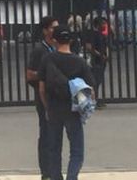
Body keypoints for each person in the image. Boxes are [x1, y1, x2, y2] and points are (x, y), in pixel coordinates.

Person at [39, 24, 96, 180]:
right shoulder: (79, 61)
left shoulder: (48, 59)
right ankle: (72, 177)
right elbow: (90, 90)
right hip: (73, 109)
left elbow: (42, 89)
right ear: (70, 40)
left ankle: (56, 177)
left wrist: (47, 107)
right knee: (76, 149)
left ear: (55, 40)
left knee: (54, 148)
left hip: (54, 108)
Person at [26, 16, 58, 180]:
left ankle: (55, 169)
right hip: (43, 97)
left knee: (56, 134)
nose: (55, 30)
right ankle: (45, 171)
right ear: (45, 30)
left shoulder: (60, 48)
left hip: (58, 97)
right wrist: (46, 77)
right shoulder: (40, 50)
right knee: (46, 132)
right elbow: (29, 75)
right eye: (53, 27)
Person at [85, 17, 109, 109]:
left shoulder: (101, 35)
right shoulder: (92, 34)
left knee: (98, 81)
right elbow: (89, 47)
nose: (104, 25)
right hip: (95, 61)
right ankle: (93, 101)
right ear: (97, 25)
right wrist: (100, 55)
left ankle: (95, 100)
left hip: (101, 61)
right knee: (94, 81)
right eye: (103, 23)